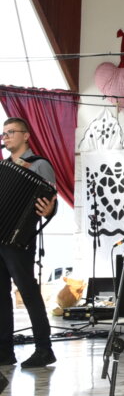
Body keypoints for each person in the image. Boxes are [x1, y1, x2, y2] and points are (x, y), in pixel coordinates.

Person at [0, 118, 57, 369]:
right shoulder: (3, 166)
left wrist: (49, 210)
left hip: (19, 238)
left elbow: (50, 201)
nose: (5, 137)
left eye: (11, 132)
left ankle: (44, 349)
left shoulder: (40, 164)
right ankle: (4, 351)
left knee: (28, 292)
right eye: (4, 133)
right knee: (1, 296)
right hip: (1, 238)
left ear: (26, 136)